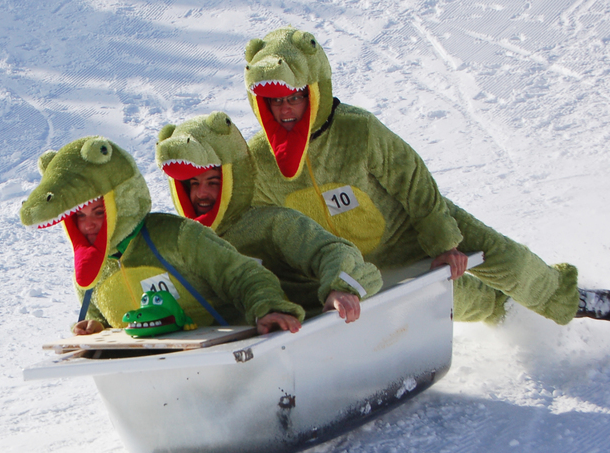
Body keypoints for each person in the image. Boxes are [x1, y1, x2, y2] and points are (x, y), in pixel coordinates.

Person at [241, 26, 610, 324]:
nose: (285, 110)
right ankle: (511, 317)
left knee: (506, 260)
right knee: (451, 299)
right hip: (362, 265)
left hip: (413, 225)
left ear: (314, 91)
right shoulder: (260, 159)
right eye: (275, 101)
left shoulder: (357, 130)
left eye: (294, 97)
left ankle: (571, 300)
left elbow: (412, 180)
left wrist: (444, 242)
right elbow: (255, 225)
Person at [19, 135, 307, 336]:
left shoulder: (176, 236)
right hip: (160, 378)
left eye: (99, 211)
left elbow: (243, 274)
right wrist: (96, 326)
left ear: (119, 203)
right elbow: (98, 315)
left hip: (230, 358)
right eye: (80, 216)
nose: (90, 225)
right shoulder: (90, 273)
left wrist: (266, 308)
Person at [155, 111, 382, 321]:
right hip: (233, 341)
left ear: (232, 179)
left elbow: (332, 250)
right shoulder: (184, 243)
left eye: (212, 182)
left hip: (307, 329)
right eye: (193, 184)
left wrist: (340, 288)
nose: (201, 194)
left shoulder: (272, 224)